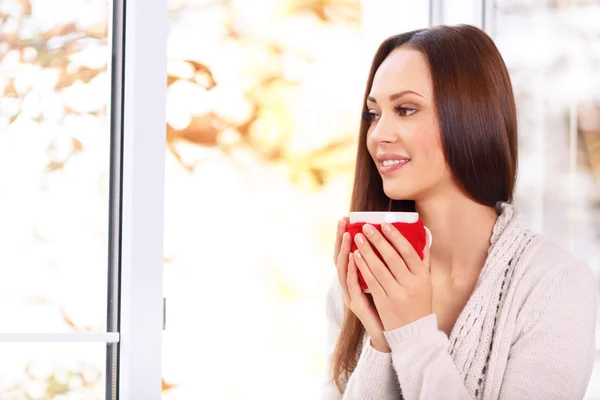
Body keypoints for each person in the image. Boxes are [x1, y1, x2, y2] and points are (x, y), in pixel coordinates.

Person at [323, 24, 597, 400]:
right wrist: (380, 342)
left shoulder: (555, 285)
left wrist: (412, 331)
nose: (378, 134)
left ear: (469, 117)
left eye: (405, 109)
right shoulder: (360, 283)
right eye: (373, 114)